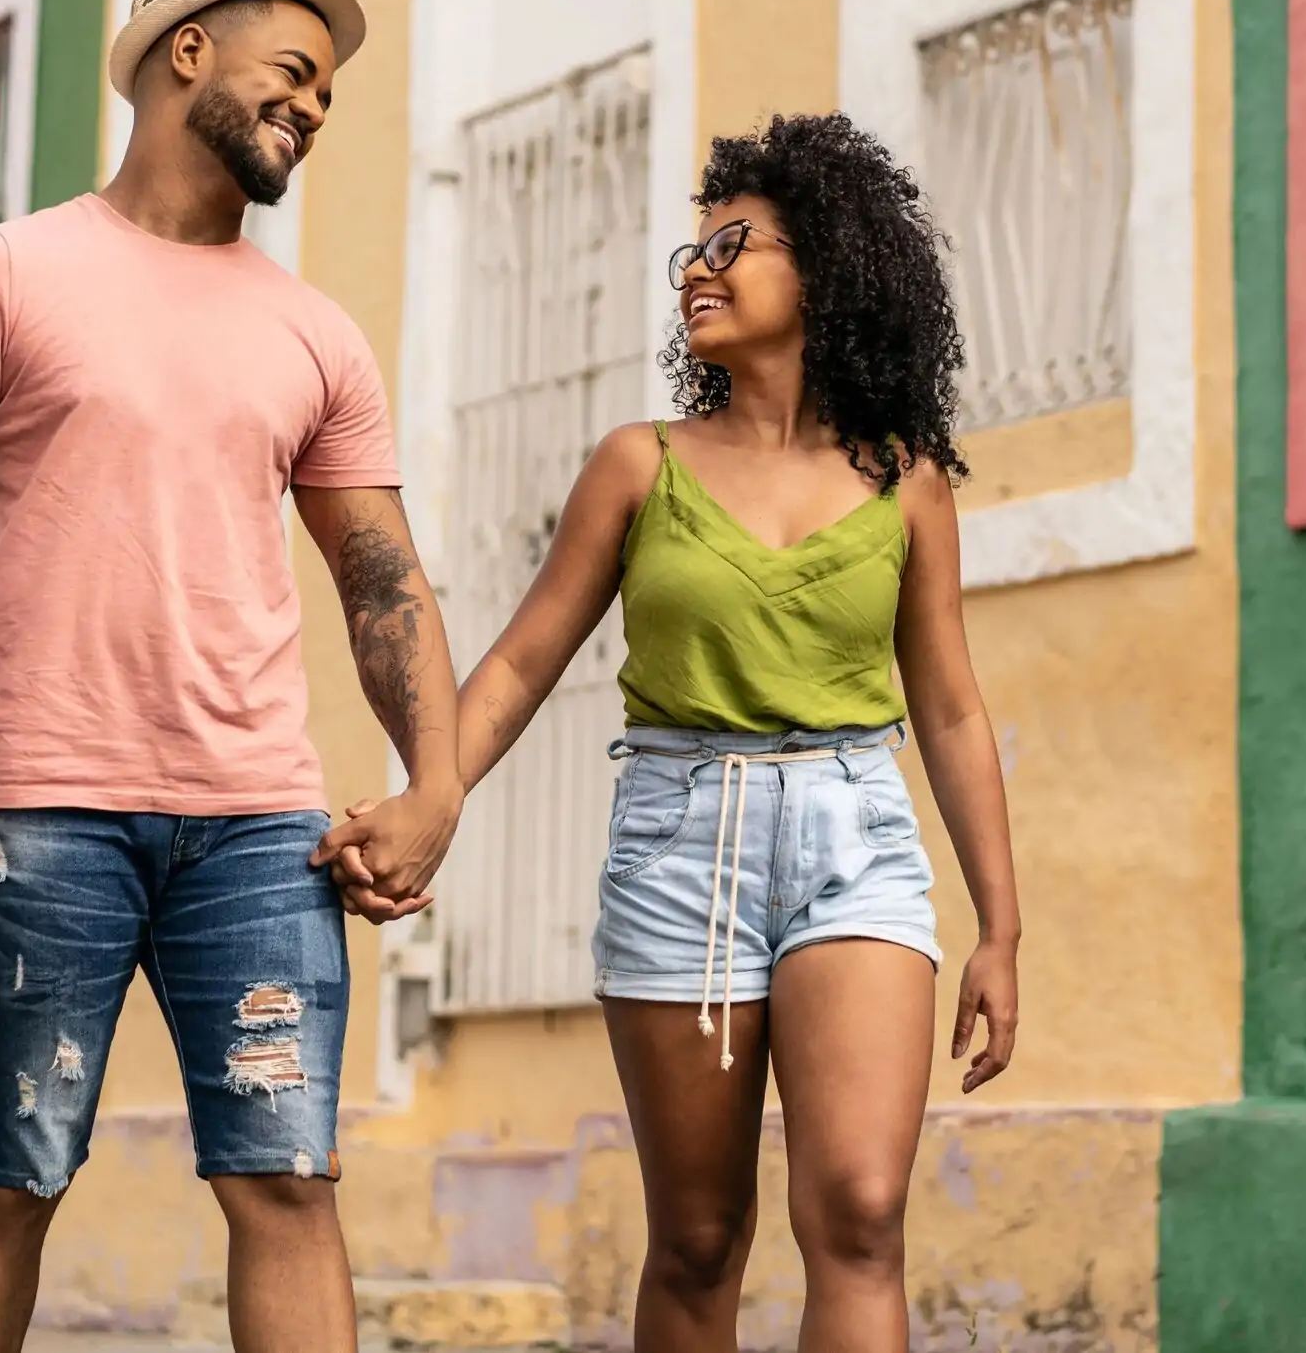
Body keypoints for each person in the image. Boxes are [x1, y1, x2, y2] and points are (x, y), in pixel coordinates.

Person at [0, 0, 466, 1353]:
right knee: (17, 1168)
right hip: (43, 805)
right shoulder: (3, 272)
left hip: (257, 823)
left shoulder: (315, 335)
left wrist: (438, 783)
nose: (312, 108)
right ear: (186, 53)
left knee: (290, 1179)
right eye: (293, 73)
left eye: (328, 96)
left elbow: (382, 578)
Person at [425, 112, 1023, 1353]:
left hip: (857, 835)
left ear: (830, 268)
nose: (699, 268)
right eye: (691, 252)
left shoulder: (906, 478)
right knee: (698, 1239)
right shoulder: (638, 465)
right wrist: (430, 795)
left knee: (859, 1213)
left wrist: (999, 926)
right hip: (679, 840)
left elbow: (952, 705)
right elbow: (528, 655)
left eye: (735, 243)